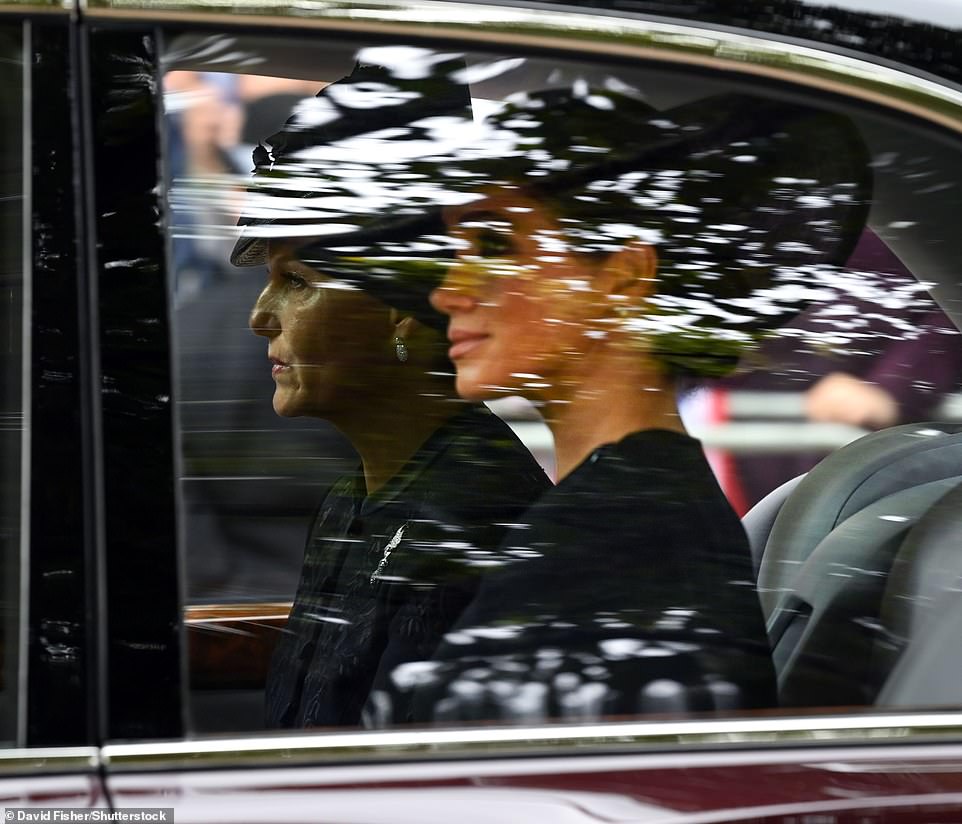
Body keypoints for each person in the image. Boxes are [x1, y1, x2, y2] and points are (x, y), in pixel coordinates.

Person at [370, 87, 874, 722]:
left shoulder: (619, 546)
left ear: (623, 275)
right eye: (457, 251)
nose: (447, 292)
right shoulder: (621, 513)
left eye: (495, 246)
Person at [231, 59, 551, 729]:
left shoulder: (469, 525)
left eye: (298, 282)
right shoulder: (360, 497)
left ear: (404, 309)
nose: (261, 315)